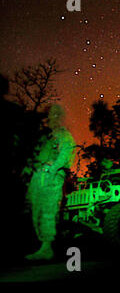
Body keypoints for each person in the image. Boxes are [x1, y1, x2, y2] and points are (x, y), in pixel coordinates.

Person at [24, 104, 76, 261]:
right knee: (35, 209)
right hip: (38, 176)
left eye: (55, 115)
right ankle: (41, 245)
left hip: (51, 177)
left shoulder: (64, 135)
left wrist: (52, 170)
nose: (51, 118)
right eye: (50, 115)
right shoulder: (46, 136)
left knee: (47, 211)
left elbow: (66, 153)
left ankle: (47, 248)